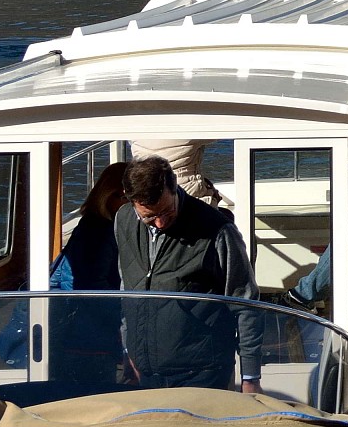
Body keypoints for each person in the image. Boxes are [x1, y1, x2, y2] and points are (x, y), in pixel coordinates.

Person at [113, 156, 260, 393]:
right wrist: (129, 352)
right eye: (149, 217)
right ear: (131, 202)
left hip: (203, 373)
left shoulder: (217, 230)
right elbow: (126, 288)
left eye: (167, 211)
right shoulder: (123, 220)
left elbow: (245, 303)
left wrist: (250, 377)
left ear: (175, 189)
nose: (159, 223)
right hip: (145, 372)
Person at [49, 163, 128, 392]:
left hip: (83, 331)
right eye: (126, 199)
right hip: (88, 336)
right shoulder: (99, 230)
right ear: (111, 196)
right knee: (94, 393)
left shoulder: (93, 226)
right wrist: (120, 327)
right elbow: (92, 286)